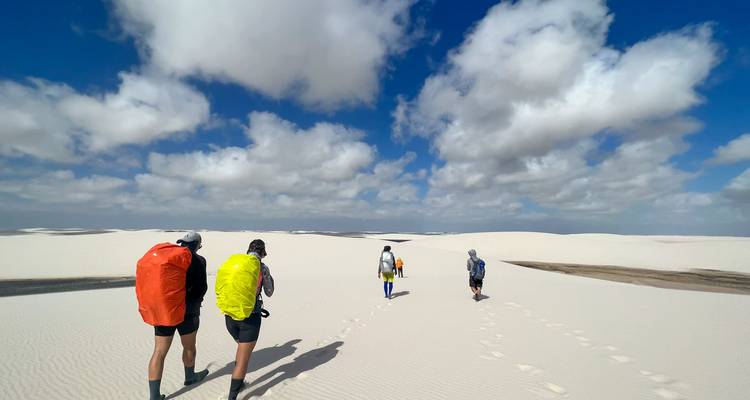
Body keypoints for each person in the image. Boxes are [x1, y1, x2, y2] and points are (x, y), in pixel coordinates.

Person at [148, 231, 209, 400]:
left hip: (165, 310)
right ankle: (190, 377)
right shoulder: (199, 260)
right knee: (189, 347)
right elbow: (202, 287)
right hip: (187, 312)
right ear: (197, 245)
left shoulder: (167, 258)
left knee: (159, 351)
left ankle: (154, 396)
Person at [218, 239, 275, 400]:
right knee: (243, 358)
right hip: (250, 318)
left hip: (229, 316)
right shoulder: (261, 267)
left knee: (241, 349)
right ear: (263, 253)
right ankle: (233, 395)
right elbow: (269, 291)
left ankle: (238, 382)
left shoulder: (235, 264)